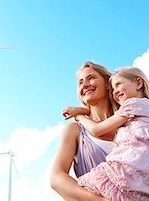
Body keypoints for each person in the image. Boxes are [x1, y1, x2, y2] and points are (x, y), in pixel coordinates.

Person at [69, 67, 149, 200]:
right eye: (113, 89)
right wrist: (86, 111)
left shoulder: (131, 105)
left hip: (125, 173)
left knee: (83, 187)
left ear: (138, 83)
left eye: (118, 85)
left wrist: (80, 116)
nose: (115, 91)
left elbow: (96, 130)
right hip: (146, 185)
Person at [50, 62, 119, 201]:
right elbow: (56, 178)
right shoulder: (75, 130)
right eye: (80, 82)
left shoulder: (130, 125)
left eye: (91, 78)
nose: (85, 84)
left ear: (107, 84)